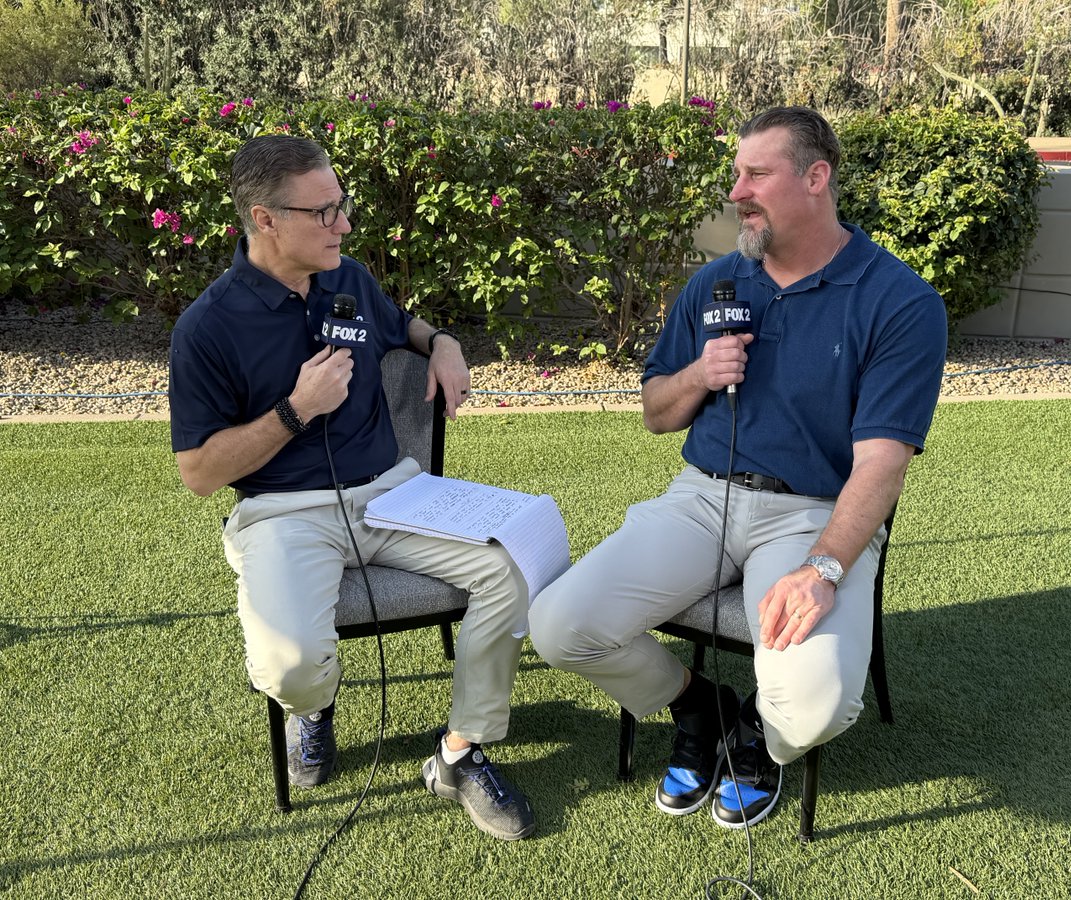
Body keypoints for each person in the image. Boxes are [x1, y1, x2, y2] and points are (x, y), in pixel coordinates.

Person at [530, 106, 946, 829]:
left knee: (817, 702)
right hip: (701, 499)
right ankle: (701, 707)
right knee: (560, 624)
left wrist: (822, 568)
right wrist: (699, 372)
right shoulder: (719, 281)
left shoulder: (900, 301)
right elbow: (658, 412)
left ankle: (759, 728)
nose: (737, 191)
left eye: (756, 173)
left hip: (813, 513)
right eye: (736, 174)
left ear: (816, 178)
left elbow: (881, 467)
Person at [168, 134, 535, 841]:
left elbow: (408, 327)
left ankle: (459, 753)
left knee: (509, 564)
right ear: (265, 219)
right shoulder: (206, 328)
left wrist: (446, 343)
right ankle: (315, 707)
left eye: (343, 206)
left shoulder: (349, 279)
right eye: (324, 212)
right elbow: (200, 474)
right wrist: (294, 411)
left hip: (391, 495)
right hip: (283, 513)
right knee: (294, 664)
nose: (343, 224)